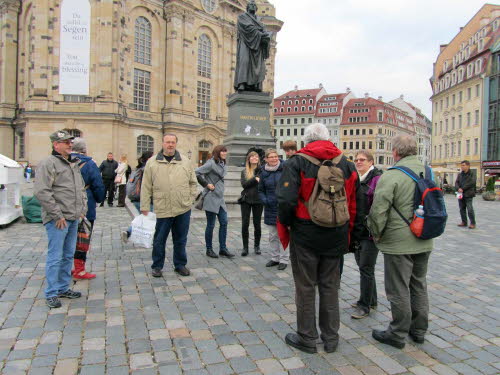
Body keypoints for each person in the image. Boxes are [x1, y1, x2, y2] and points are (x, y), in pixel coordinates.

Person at [277, 123, 360, 354]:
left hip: (305, 233)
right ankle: (331, 338)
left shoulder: (297, 163)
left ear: (306, 140)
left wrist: (289, 225)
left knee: (305, 287)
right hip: (336, 233)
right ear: (328, 138)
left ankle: (307, 338)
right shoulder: (347, 164)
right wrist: (350, 235)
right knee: (330, 286)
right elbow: (355, 203)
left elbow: (285, 201)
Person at [367, 135, 434, 349]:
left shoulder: (392, 175)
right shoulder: (428, 171)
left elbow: (378, 211)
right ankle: (419, 330)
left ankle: (397, 333)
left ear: (395, 152)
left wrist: (376, 233)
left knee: (398, 288)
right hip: (424, 237)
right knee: (418, 284)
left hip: (399, 241)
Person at [34, 130, 87, 308]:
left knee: (67, 255)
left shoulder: (72, 163)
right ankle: (51, 292)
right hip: (58, 219)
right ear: (56, 145)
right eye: (65, 142)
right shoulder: (48, 164)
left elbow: (80, 189)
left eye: (70, 142)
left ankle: (63, 287)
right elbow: (42, 192)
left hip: (73, 217)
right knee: (55, 256)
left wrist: (82, 209)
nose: (69, 145)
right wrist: (57, 214)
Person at [141, 134, 197, 277]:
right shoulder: (152, 162)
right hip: (162, 206)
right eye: (168, 142)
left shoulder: (185, 161)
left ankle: (180, 264)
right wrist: (145, 206)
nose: (170, 145)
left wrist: (190, 199)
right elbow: (146, 186)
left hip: (182, 207)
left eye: (173, 142)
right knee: (159, 239)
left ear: (176, 144)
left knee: (180, 239)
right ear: (163, 143)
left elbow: (193, 182)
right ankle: (157, 266)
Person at [350, 150, 382, 319]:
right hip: (358, 230)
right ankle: (372, 299)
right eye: (356, 160)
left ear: (371, 162)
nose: (358, 162)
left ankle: (364, 305)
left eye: (362, 160)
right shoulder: (358, 178)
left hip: (370, 232)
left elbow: (378, 207)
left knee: (366, 268)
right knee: (364, 267)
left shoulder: (376, 179)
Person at [71, 138, 106, 279]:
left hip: (66, 205)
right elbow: (98, 185)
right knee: (82, 238)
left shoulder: (63, 161)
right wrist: (99, 198)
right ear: (84, 150)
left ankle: (66, 267)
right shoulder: (89, 164)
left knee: (68, 238)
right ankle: (79, 269)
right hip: (86, 205)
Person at [196, 145, 235, 259]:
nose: (224, 153)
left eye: (225, 151)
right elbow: (197, 172)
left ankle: (223, 248)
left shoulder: (222, 163)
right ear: (217, 152)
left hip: (220, 198)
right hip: (211, 197)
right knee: (211, 225)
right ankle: (209, 249)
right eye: (222, 151)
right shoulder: (211, 163)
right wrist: (206, 184)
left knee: (224, 222)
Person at [258, 148, 288, 270]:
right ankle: (275, 258)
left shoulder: (285, 169)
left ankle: (284, 259)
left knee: (284, 235)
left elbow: (290, 185)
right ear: (266, 159)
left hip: (283, 206)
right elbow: (261, 190)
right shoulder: (263, 172)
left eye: (276, 156)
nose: (274, 159)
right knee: (272, 235)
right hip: (270, 207)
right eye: (271, 157)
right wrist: (265, 201)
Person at [234, 0, 271, 92]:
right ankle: (242, 83)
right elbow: (247, 28)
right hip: (245, 43)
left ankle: (255, 85)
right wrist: (260, 33)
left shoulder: (259, 21)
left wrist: (265, 37)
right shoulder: (242, 17)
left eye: (254, 5)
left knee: (258, 66)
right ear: (247, 7)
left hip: (257, 46)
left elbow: (264, 31)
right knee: (244, 61)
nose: (253, 6)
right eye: (251, 4)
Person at [121, 150, 154, 242]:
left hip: (135, 197)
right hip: (145, 198)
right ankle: (130, 232)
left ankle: (130, 232)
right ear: (149, 159)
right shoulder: (147, 169)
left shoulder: (138, 168)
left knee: (142, 218)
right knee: (147, 219)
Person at [239, 151, 263, 256]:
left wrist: (257, 179)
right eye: (252, 156)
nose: (254, 158)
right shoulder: (244, 171)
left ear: (258, 159)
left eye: (256, 156)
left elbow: (263, 184)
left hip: (258, 200)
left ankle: (257, 246)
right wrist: (255, 179)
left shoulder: (262, 171)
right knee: (245, 224)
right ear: (248, 159)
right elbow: (244, 185)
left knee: (257, 224)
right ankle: (245, 247)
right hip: (246, 200)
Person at [455, 160, 476, 229]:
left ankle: (473, 223)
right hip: (460, 194)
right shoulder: (460, 174)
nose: (462, 167)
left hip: (468, 194)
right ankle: (464, 222)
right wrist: (458, 188)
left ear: (468, 166)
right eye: (461, 165)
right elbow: (456, 182)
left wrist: (463, 188)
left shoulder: (472, 174)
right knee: (462, 209)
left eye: (463, 165)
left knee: (470, 209)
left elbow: (471, 182)